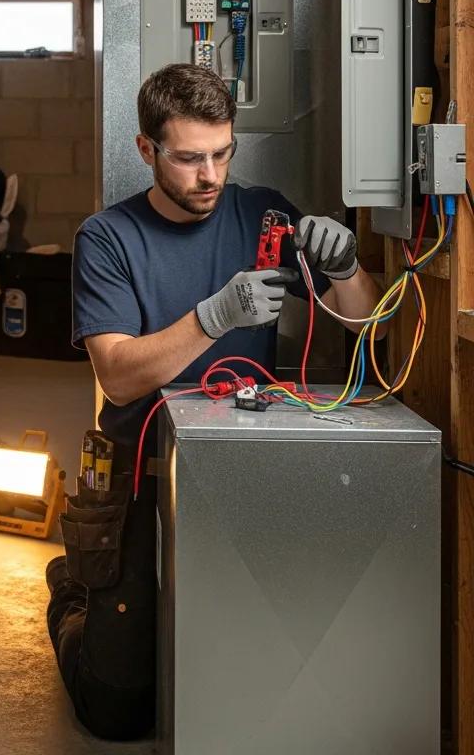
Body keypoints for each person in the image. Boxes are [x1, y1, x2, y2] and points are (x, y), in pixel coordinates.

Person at [47, 63, 384, 740]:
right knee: (117, 711)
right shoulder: (109, 238)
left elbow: (365, 323)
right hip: (141, 477)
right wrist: (214, 315)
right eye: (190, 158)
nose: (211, 176)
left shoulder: (263, 212)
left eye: (223, 153)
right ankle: (72, 594)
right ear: (147, 150)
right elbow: (116, 376)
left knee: (250, 675)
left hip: (240, 473)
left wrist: (346, 269)